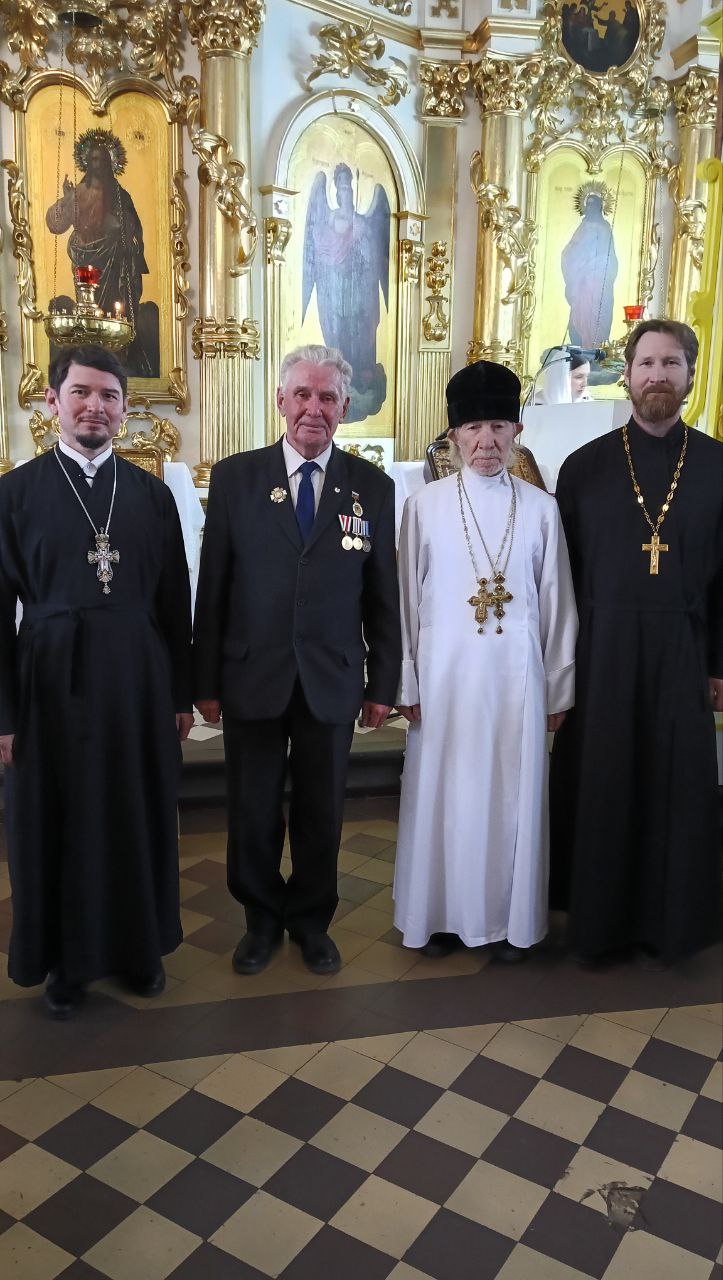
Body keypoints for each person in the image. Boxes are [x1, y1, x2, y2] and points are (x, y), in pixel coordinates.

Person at [193, 344, 400, 976]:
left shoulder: (372, 487)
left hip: (330, 678)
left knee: (321, 813)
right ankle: (260, 920)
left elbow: (382, 596)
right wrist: (205, 681)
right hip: (251, 674)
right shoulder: (236, 479)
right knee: (253, 810)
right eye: (303, 395)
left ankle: (311, 921)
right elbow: (214, 588)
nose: (314, 408)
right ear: (280, 400)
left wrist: (382, 684)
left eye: (327, 397)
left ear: (345, 407)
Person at [0, 345, 193, 1017]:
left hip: (137, 684)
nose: (95, 407)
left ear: (125, 408)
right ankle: (66, 964)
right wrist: (4, 715)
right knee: (57, 820)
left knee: (134, 812)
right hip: (47, 684)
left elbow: (175, 604)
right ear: (52, 401)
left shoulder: (151, 495)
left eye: (109, 395)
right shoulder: (14, 494)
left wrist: (180, 695)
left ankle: (139, 951)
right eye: (81, 392)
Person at [550, 319, 723, 965]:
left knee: (674, 788)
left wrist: (719, 664)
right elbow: (560, 580)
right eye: (646, 363)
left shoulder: (717, 465)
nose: (657, 375)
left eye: (671, 363)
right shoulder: (584, 468)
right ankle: (599, 925)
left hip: (683, 651)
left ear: (690, 376)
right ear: (625, 375)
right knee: (605, 782)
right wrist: (559, 668)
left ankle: (671, 926)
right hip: (602, 654)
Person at [393, 361, 578, 962]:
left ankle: (507, 923)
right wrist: (406, 679)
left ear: (517, 430)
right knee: (444, 797)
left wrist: (558, 690)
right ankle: (437, 917)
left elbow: (558, 604)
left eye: (499, 426)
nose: (486, 442)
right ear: (453, 435)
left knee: (508, 801)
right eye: (473, 428)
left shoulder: (541, 509)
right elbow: (406, 600)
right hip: (443, 681)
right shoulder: (424, 507)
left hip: (516, 684)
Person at [46, 128, 157, 377]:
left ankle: (117, 356)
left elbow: (133, 229)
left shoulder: (120, 196)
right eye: (94, 159)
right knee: (88, 310)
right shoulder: (77, 193)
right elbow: (56, 225)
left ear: (110, 163)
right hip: (85, 261)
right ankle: (88, 358)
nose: (98, 164)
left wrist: (120, 229)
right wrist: (67, 200)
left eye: (103, 159)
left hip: (113, 260)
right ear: (87, 162)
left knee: (115, 310)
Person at [561, 191, 618, 349]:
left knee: (599, 320)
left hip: (599, 286)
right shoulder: (583, 228)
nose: (591, 209)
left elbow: (611, 259)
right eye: (589, 206)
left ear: (600, 207)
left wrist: (599, 267)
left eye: (594, 206)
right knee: (580, 317)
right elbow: (569, 253)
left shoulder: (605, 229)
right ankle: (582, 348)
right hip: (583, 284)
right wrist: (579, 269)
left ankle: (596, 349)